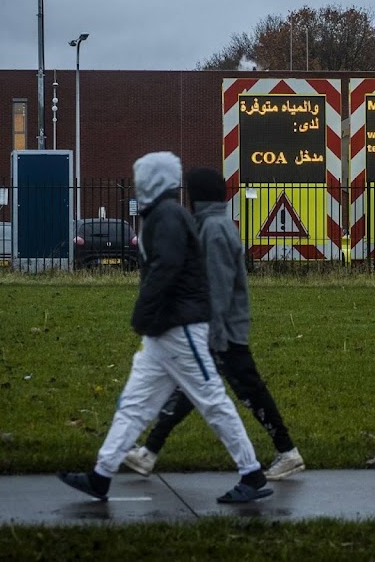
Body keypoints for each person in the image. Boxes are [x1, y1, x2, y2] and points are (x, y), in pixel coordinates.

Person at [57, 152, 271, 504]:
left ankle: (251, 472)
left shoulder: (167, 216)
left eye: (141, 178)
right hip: (165, 330)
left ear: (152, 181)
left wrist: (142, 314)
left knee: (211, 400)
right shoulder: (165, 215)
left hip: (181, 328)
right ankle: (101, 475)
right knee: (135, 404)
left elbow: (165, 269)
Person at [123, 167, 305, 481]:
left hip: (223, 332)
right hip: (217, 329)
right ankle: (148, 453)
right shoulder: (209, 225)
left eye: (189, 194)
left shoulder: (216, 229)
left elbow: (218, 287)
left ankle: (287, 451)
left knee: (243, 390)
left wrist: (211, 333)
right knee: (191, 391)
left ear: (199, 196)